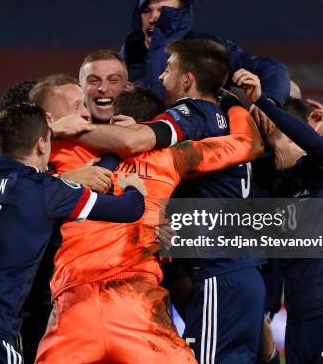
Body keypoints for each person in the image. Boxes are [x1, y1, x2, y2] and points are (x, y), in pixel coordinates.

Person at [35, 88, 263, 363]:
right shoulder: (170, 158)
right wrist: (233, 104)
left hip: (74, 307)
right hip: (138, 306)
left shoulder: (65, 151)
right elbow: (249, 144)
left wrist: (54, 130)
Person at [0, 103, 147, 364]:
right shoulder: (46, 191)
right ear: (42, 145)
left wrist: (53, 130)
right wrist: (131, 187)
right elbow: (129, 209)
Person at [235, 69, 323, 364]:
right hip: (298, 321)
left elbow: (310, 145)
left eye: (283, 137)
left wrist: (265, 101)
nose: (274, 146)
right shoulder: (270, 188)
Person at [120, 0, 290, 106]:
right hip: (139, 140)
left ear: (181, 15)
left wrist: (270, 102)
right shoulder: (129, 52)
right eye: (146, 10)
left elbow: (270, 68)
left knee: (293, 91)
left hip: (195, 142)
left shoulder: (206, 49)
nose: (153, 18)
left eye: (164, 11)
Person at [79, 50, 132, 124]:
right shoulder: (62, 132)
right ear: (79, 89)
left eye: (113, 80)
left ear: (127, 89)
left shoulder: (149, 132)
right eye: (94, 81)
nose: (103, 89)